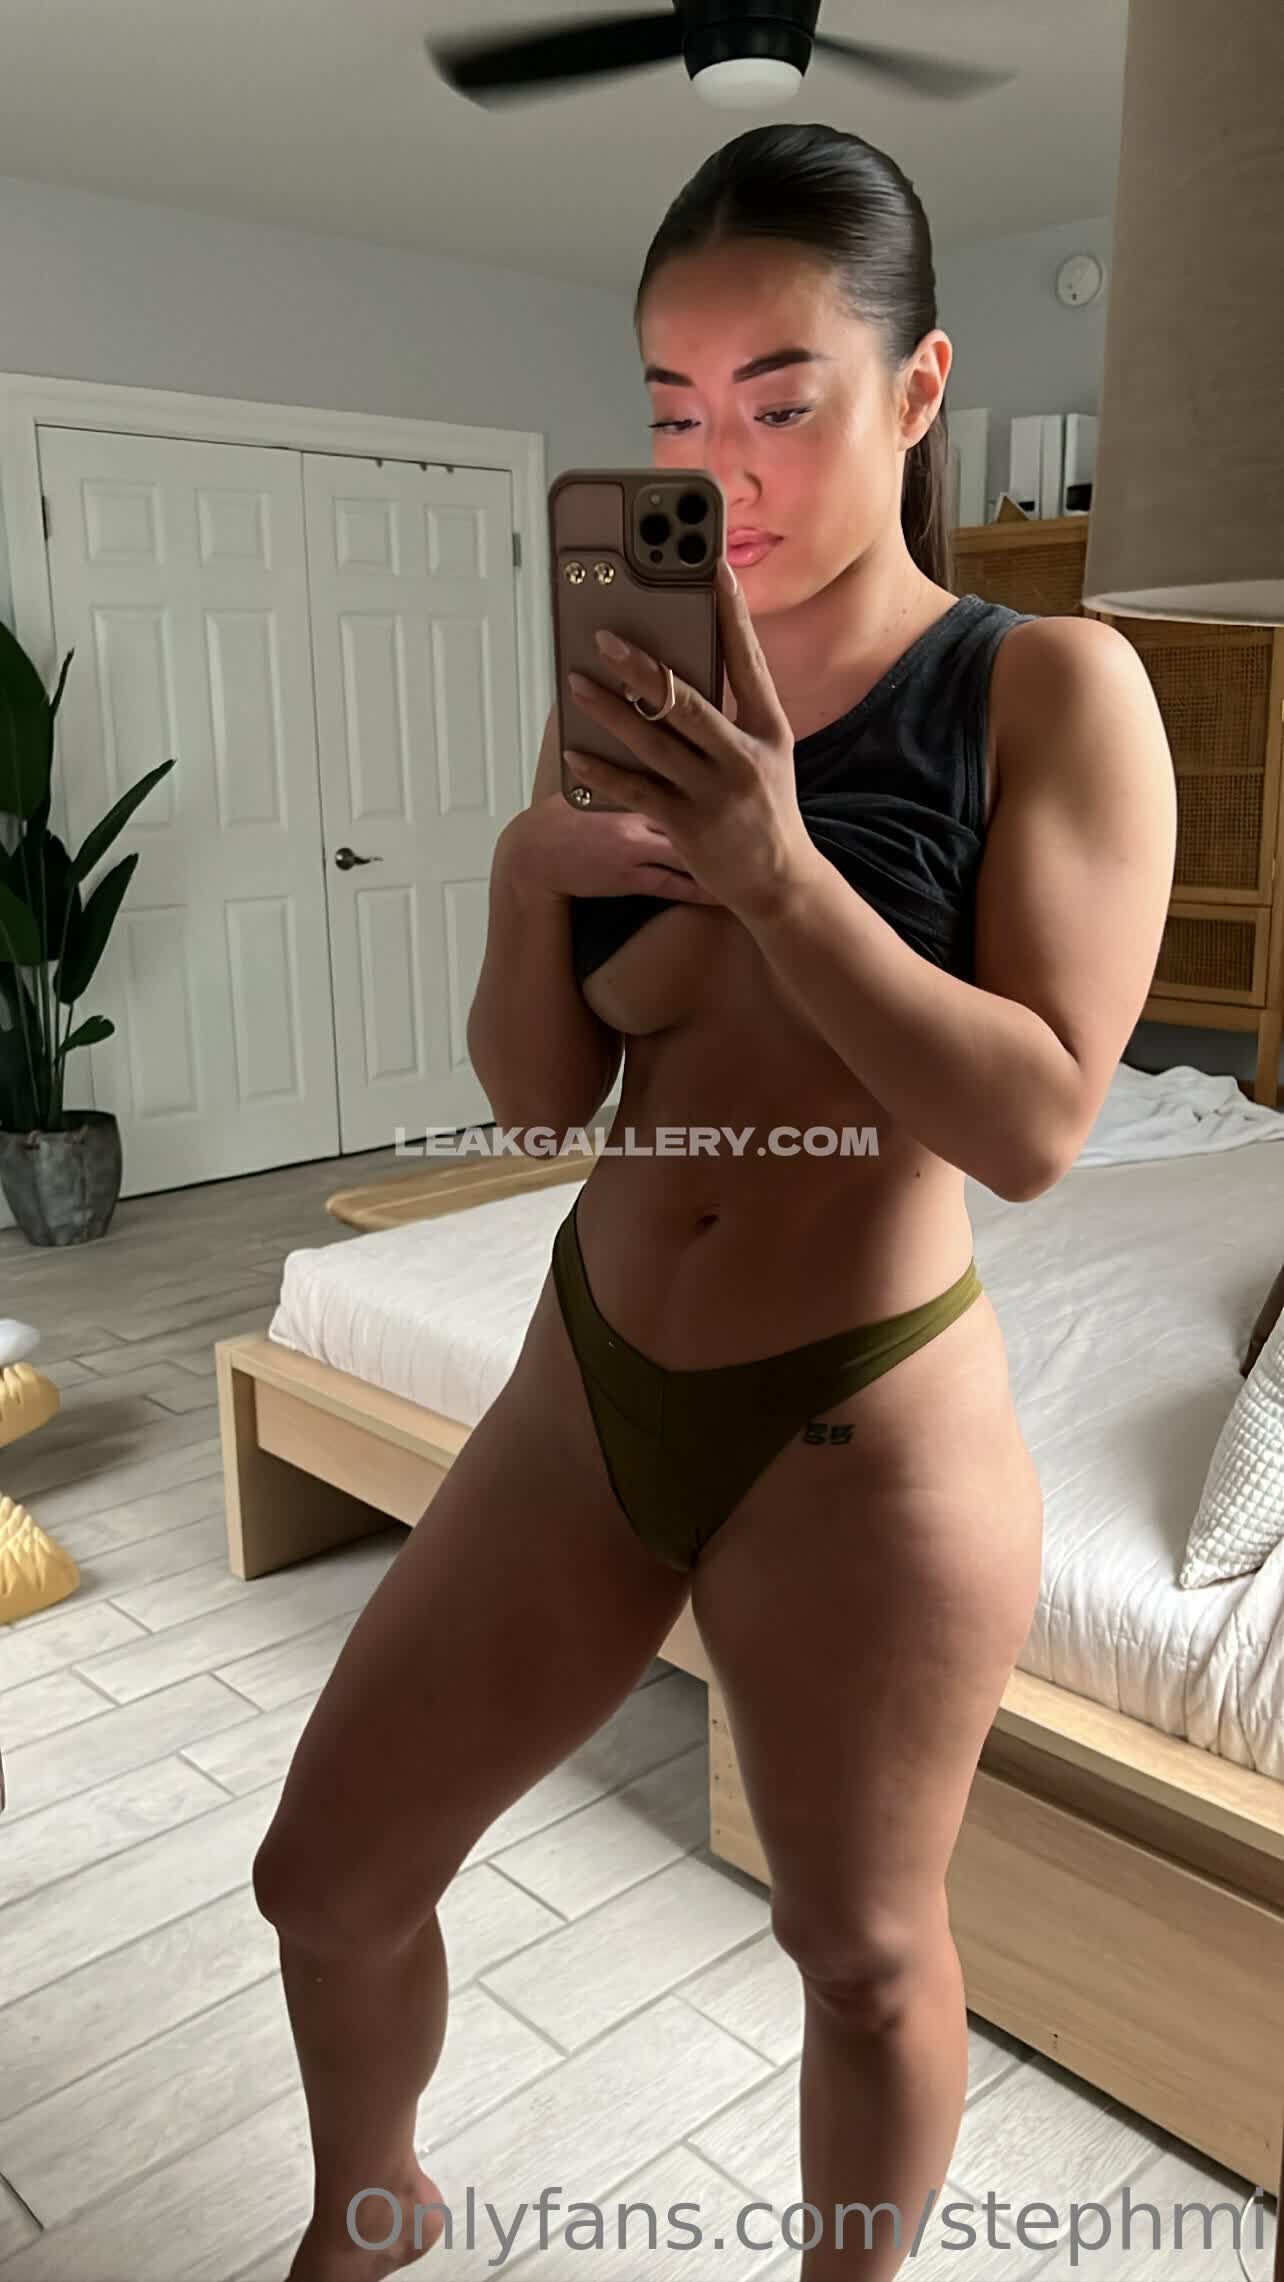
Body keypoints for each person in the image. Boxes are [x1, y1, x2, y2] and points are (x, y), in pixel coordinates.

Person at [252, 122, 1176, 2281]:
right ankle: (366, 2218)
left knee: (860, 1948)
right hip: (591, 1378)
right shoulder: (631, 699)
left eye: (779, 399)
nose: (718, 466)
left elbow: (1041, 1119)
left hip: (861, 1418)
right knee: (328, 1875)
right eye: (671, 410)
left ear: (919, 391)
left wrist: (778, 870)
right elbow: (543, 1101)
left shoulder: (1046, 690)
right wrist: (523, 878)